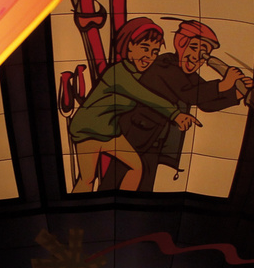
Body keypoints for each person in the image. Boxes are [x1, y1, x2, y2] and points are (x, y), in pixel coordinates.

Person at [102, 18, 253, 190]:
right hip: (134, 135)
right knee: (115, 179)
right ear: (181, 43)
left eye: (203, 54)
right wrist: (223, 84)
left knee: (144, 185)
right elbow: (191, 94)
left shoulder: (187, 75)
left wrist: (236, 94)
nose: (197, 57)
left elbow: (205, 102)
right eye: (194, 48)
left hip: (154, 141)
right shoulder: (165, 65)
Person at [67, 18, 198, 191]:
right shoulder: (118, 73)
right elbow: (144, 95)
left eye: (154, 52)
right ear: (130, 46)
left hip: (110, 132)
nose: (149, 57)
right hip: (88, 131)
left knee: (136, 167)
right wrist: (175, 114)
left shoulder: (140, 73)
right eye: (145, 49)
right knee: (88, 179)